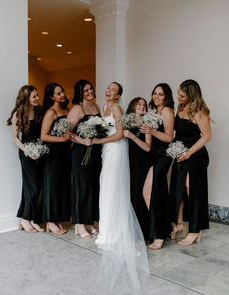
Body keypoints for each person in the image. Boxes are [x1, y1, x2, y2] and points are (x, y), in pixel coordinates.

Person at [93, 82, 149, 292]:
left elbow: (118, 134)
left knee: (112, 188)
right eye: (108, 88)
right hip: (107, 151)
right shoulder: (104, 108)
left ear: (118, 95)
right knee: (106, 188)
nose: (108, 91)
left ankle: (115, 234)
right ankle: (107, 231)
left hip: (115, 151)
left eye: (113, 89)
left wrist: (98, 140)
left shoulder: (116, 109)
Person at [170, 79, 212, 245]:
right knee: (178, 188)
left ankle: (195, 230)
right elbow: (178, 133)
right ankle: (179, 224)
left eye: (182, 94)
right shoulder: (180, 108)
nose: (178, 96)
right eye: (178, 92)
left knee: (191, 189)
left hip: (196, 155)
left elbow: (207, 136)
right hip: (181, 154)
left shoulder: (200, 111)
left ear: (191, 95)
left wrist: (188, 153)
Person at [141, 83, 175, 249]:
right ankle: (165, 228)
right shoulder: (155, 112)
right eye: (155, 93)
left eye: (160, 94)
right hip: (153, 155)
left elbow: (169, 137)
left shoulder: (167, 111)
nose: (157, 96)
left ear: (166, 96)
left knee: (155, 193)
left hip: (164, 155)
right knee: (152, 192)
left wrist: (151, 131)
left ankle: (160, 235)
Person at [7, 85, 44, 233]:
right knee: (33, 186)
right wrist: (28, 151)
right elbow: (15, 138)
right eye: (34, 96)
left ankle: (32, 219)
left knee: (37, 186)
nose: (37, 98)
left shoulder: (38, 111)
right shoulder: (18, 114)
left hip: (40, 152)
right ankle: (25, 219)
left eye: (37, 95)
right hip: (26, 153)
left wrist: (39, 150)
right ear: (26, 98)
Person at [67, 79, 101, 239]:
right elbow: (67, 133)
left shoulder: (96, 107)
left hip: (95, 151)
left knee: (93, 186)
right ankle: (79, 223)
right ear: (80, 93)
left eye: (91, 89)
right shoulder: (77, 109)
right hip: (81, 152)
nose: (90, 92)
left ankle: (89, 221)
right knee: (81, 186)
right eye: (86, 90)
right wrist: (82, 140)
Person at [41, 82, 71, 235]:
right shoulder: (51, 112)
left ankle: (58, 219)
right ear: (52, 96)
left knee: (62, 185)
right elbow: (43, 135)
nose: (62, 95)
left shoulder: (67, 110)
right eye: (58, 93)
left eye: (62, 92)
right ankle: (50, 221)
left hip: (66, 153)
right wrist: (61, 139)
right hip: (53, 153)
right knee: (52, 186)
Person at [123, 97, 151, 240]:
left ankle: (143, 231)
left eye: (144, 105)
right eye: (139, 103)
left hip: (142, 162)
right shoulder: (126, 121)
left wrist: (132, 136)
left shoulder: (146, 123)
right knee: (130, 193)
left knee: (139, 194)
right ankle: (130, 229)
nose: (142, 106)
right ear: (133, 105)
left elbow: (147, 147)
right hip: (128, 161)